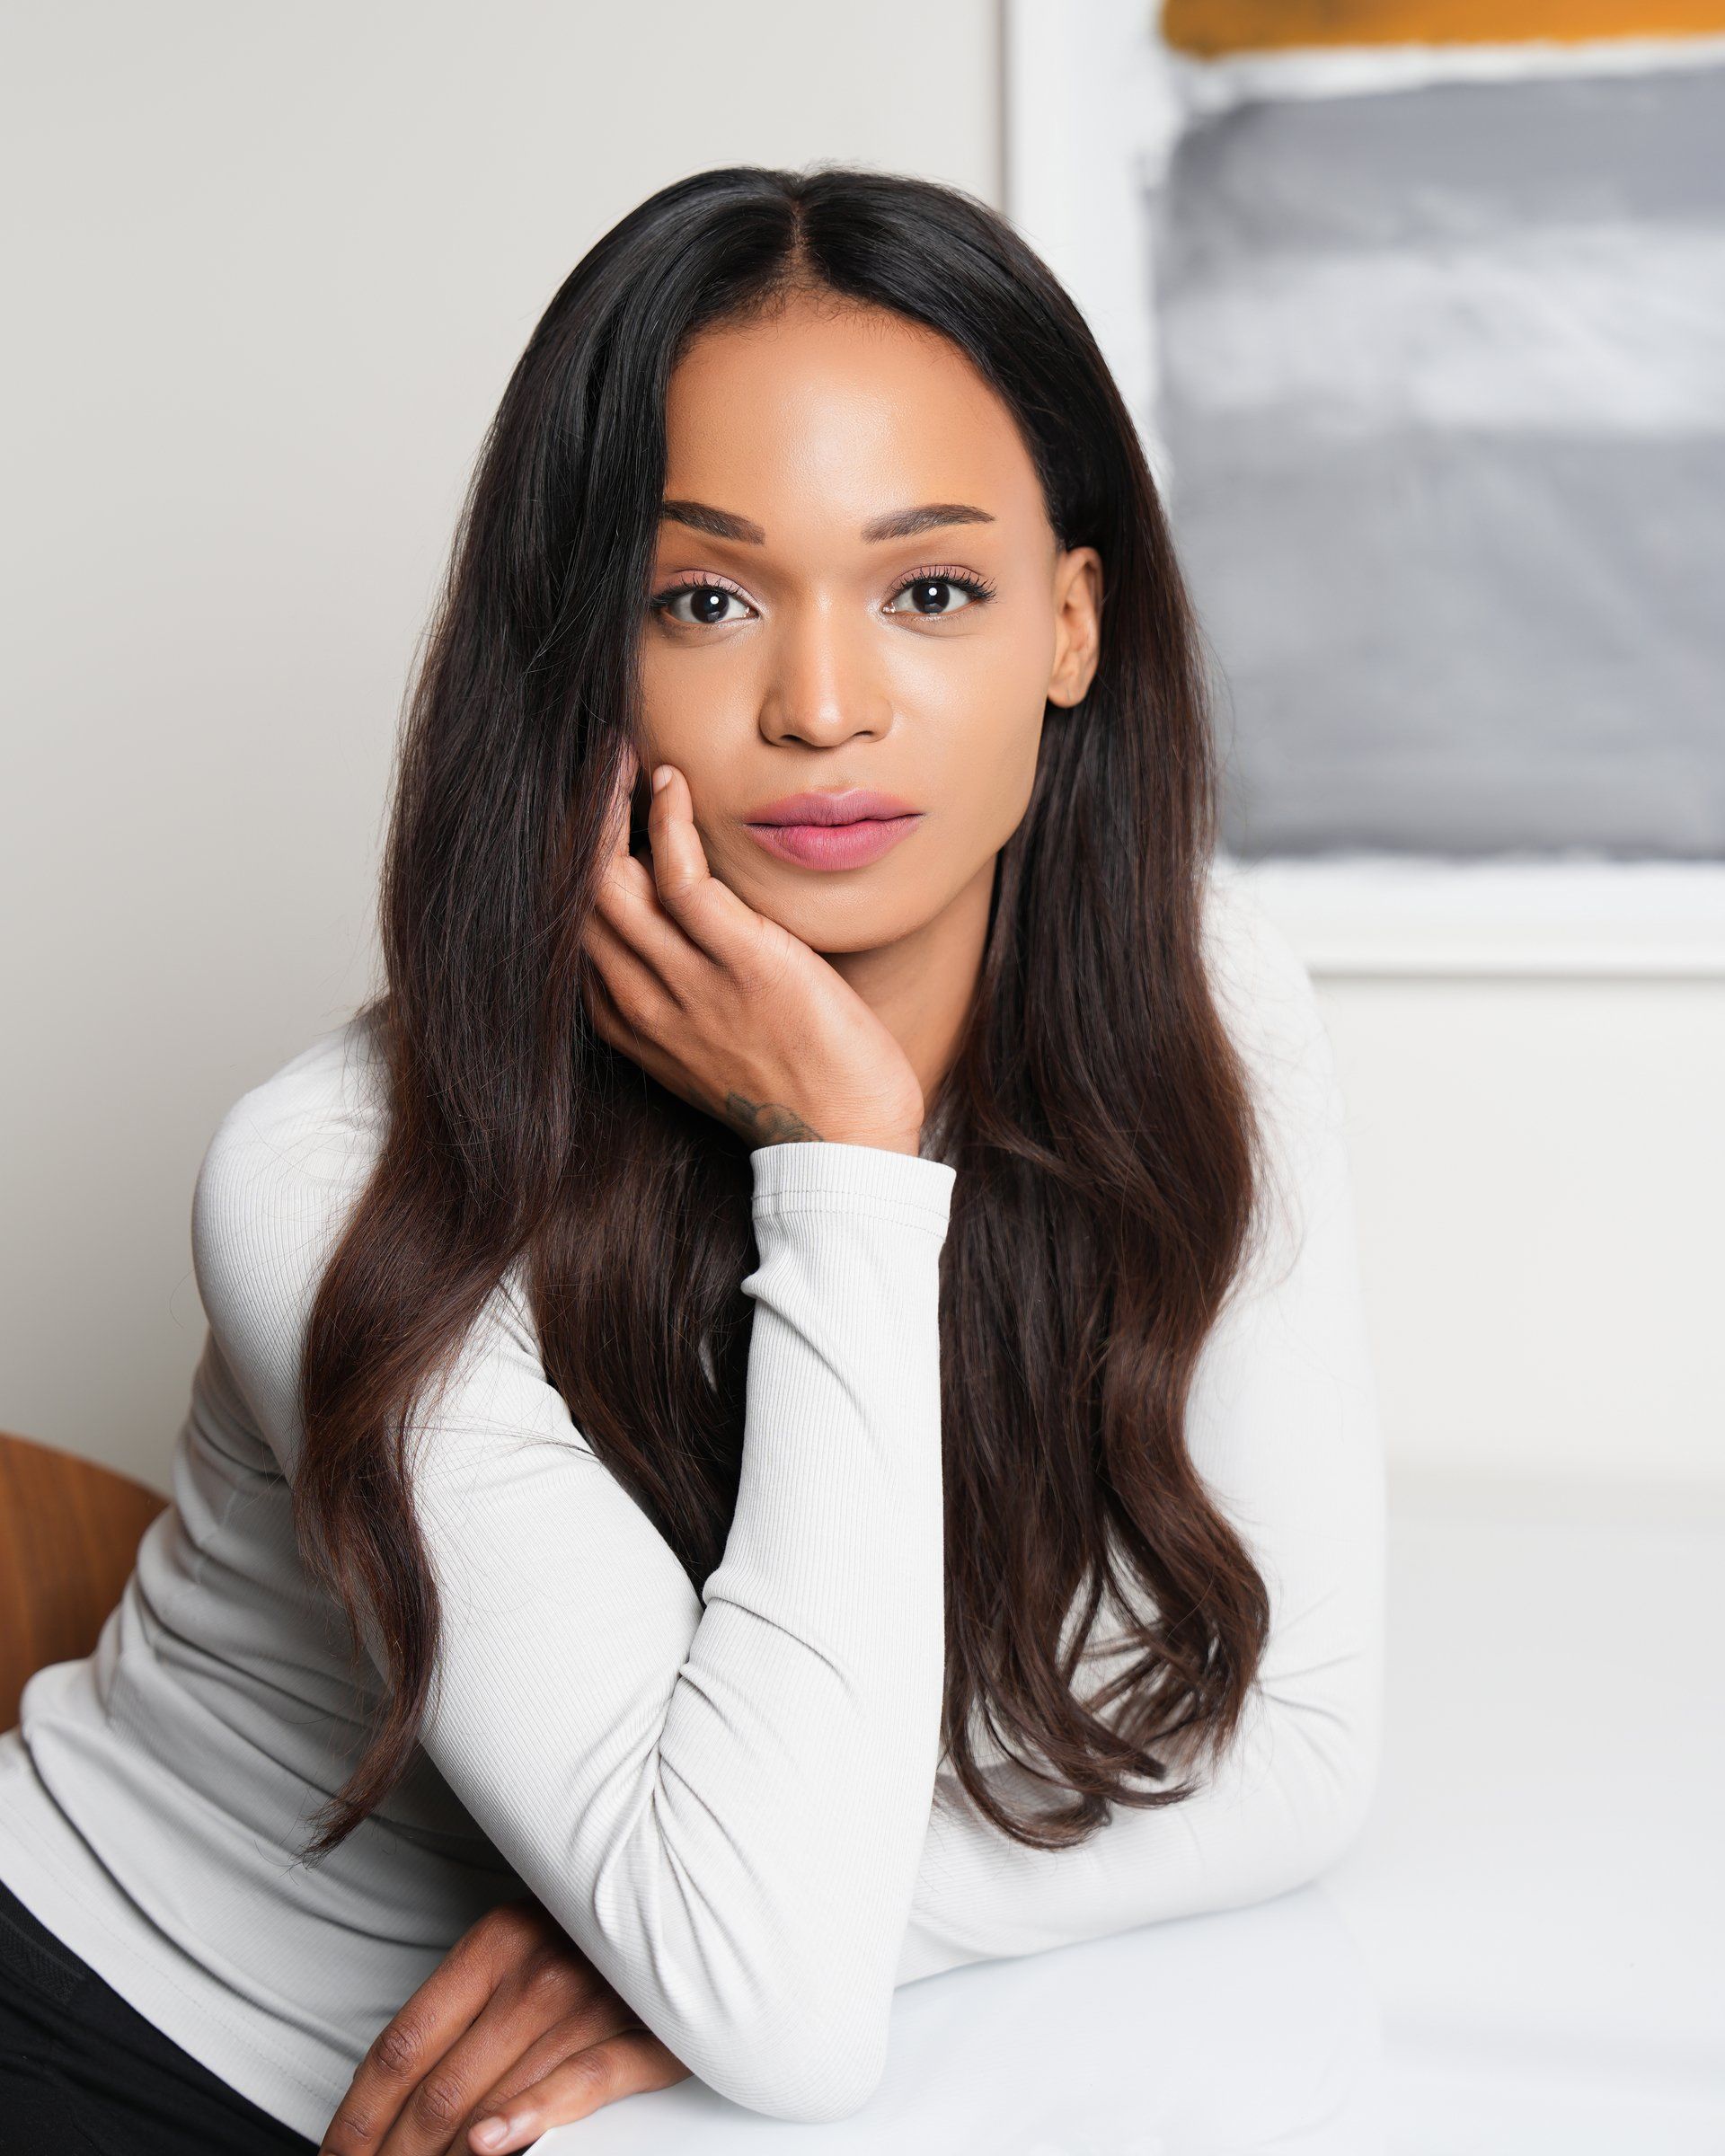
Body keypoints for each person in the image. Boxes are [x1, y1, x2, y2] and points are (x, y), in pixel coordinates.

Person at [0, 163, 1386, 2154]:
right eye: (707, 599)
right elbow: (780, 2014)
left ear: (1070, 629)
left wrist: (717, 1919)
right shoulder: (327, 1178)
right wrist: (844, 1157)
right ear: (589, 649)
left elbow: (1304, 1751)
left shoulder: (1214, 1007)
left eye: (931, 590)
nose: (822, 707)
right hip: (145, 2051)